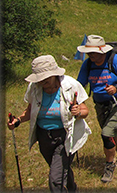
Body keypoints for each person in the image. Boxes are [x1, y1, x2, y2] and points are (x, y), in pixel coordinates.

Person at [8, 55, 91, 192]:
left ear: (54, 74)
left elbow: (85, 111)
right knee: (61, 171)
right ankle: (72, 189)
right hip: (44, 137)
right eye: (39, 79)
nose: (42, 81)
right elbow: (29, 111)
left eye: (46, 78)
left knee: (55, 179)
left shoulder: (70, 85)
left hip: (65, 136)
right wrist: (17, 121)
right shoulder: (34, 87)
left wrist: (78, 112)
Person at [76, 35, 117, 183]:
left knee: (106, 133)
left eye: (93, 52)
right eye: (88, 52)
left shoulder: (114, 60)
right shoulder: (88, 64)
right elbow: (80, 85)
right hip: (100, 104)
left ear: (102, 51)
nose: (90, 55)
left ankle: (109, 166)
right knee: (112, 131)